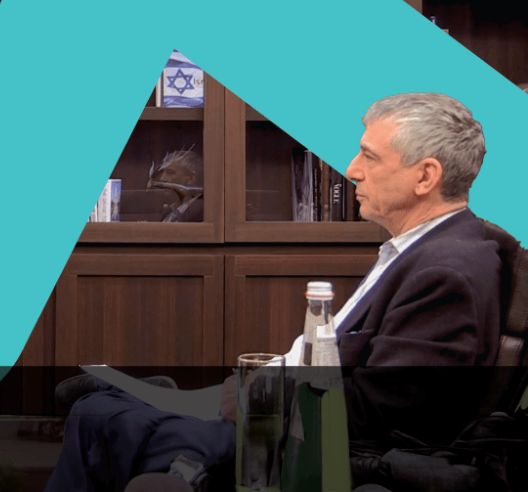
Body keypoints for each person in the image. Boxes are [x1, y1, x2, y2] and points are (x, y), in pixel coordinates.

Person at [45, 92, 503, 492]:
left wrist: (256, 400)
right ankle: (169, 397)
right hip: (285, 410)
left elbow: (383, 415)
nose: (352, 169)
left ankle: (168, 399)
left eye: (370, 157)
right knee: (101, 412)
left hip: (301, 445)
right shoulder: (424, 250)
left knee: (102, 417)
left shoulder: (446, 272)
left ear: (425, 177)